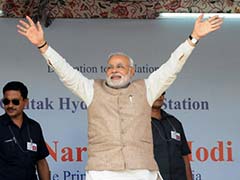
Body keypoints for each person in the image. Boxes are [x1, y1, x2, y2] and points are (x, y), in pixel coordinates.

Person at [16, 14, 223, 180]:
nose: (114, 70)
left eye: (120, 66)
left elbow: (171, 67)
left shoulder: (146, 89)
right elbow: (65, 72)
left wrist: (193, 39)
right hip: (102, 172)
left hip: (141, 171)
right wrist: (43, 46)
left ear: (131, 71)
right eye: (110, 67)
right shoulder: (91, 89)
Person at [0, 81, 50, 180]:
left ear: (25, 102)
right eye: (6, 101)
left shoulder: (34, 127)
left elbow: (41, 161)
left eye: (15, 101)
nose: (10, 105)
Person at [151, 92, 192, 180]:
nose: (159, 96)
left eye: (162, 94)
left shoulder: (174, 122)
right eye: (156, 92)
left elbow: (184, 156)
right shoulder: (139, 123)